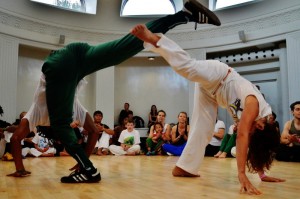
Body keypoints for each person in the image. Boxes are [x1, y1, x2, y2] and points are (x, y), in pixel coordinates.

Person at [8, 1, 221, 182]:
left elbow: (16, 138)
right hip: (77, 54)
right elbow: (93, 131)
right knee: (126, 47)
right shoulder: (74, 107)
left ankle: (90, 171)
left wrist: (20, 169)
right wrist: (83, 157)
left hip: (59, 64)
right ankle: (184, 15)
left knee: (60, 124)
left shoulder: (36, 113)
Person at [130, 24, 285, 195]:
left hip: (212, 94)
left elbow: (257, 145)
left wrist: (262, 175)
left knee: (203, 129)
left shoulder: (263, 124)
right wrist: (241, 174)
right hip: (219, 75)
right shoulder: (254, 106)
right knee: (188, 68)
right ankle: (155, 40)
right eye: (252, 132)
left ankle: (185, 168)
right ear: (261, 126)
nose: (249, 132)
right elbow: (241, 135)